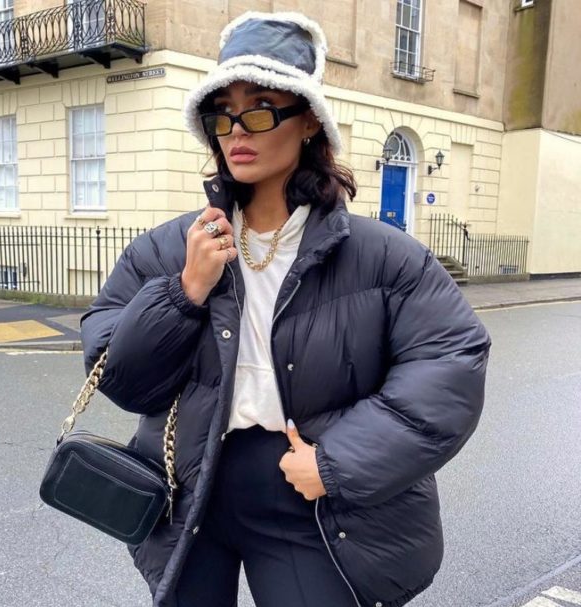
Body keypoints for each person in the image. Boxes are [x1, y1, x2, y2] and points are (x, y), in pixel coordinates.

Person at [80, 11, 491, 607]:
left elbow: (450, 363)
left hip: (308, 493)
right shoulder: (168, 250)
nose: (236, 132)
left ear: (308, 122)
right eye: (222, 114)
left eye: (261, 109)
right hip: (189, 488)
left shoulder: (382, 255)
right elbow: (122, 380)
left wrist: (337, 463)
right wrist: (184, 292)